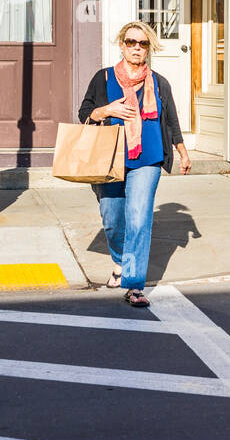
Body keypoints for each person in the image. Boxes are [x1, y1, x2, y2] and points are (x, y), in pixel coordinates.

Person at [78, 20, 191, 307]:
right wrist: (107, 109)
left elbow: (172, 121)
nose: (137, 48)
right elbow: (85, 113)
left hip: (148, 158)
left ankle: (133, 283)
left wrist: (182, 151)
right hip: (110, 159)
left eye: (142, 44)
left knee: (139, 218)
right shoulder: (103, 78)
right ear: (122, 45)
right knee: (113, 219)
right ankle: (119, 261)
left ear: (149, 48)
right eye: (131, 42)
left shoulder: (159, 82)